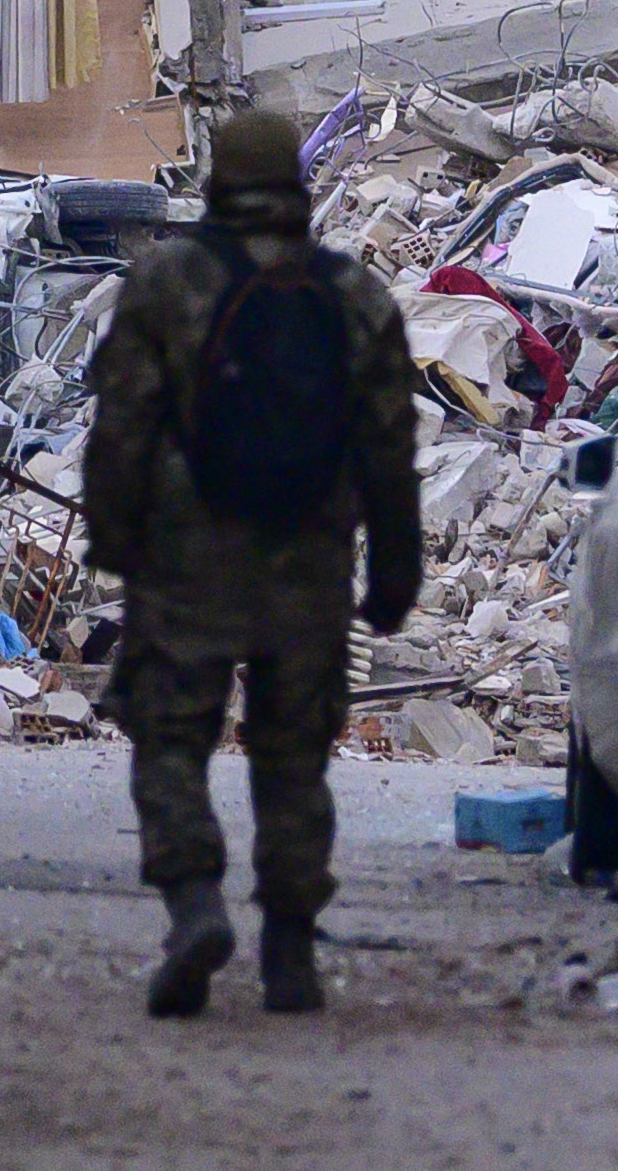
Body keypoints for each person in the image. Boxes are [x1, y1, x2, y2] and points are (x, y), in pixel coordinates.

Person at [79, 106, 421, 1017]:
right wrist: (395, 573)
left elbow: (123, 424)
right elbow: (390, 445)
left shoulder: (165, 283)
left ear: (217, 182)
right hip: (308, 554)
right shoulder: (355, 295)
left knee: (170, 737)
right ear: (299, 189)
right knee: (293, 754)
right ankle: (291, 950)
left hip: (188, 552)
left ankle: (194, 904)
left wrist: (113, 538)